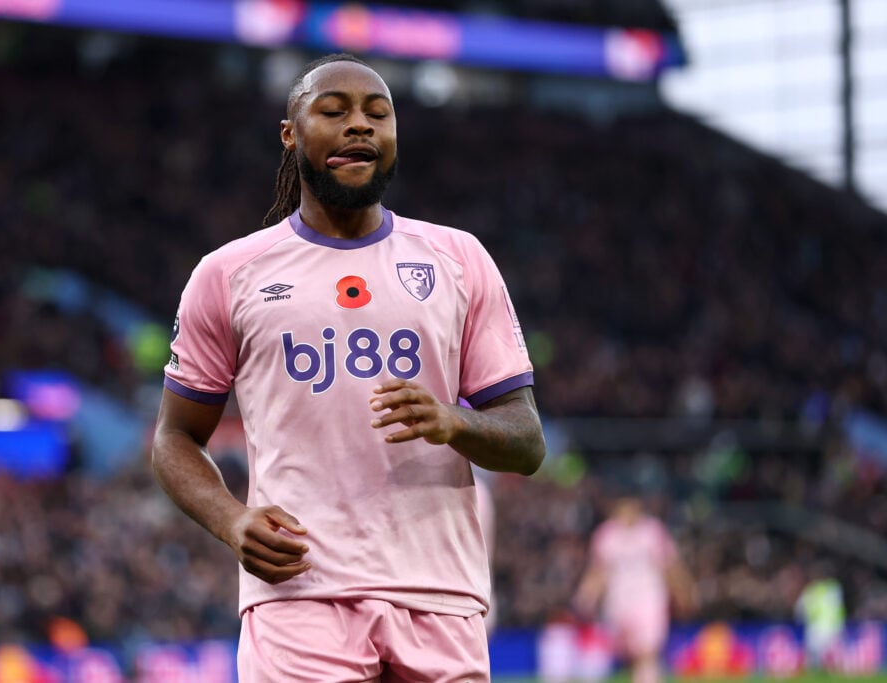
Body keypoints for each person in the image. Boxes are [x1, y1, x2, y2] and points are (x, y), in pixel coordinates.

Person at [151, 53, 546, 682]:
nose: (359, 125)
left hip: (440, 599)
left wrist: (453, 422)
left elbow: (526, 442)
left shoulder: (458, 259)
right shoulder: (229, 276)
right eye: (333, 112)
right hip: (301, 597)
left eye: (377, 114)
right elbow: (174, 439)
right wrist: (232, 521)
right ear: (291, 134)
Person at [573, 495, 694, 683]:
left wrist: (682, 591)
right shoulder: (606, 535)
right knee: (629, 654)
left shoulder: (653, 531)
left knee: (648, 650)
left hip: (649, 598)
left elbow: (670, 566)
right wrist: (587, 595)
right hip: (618, 601)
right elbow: (598, 570)